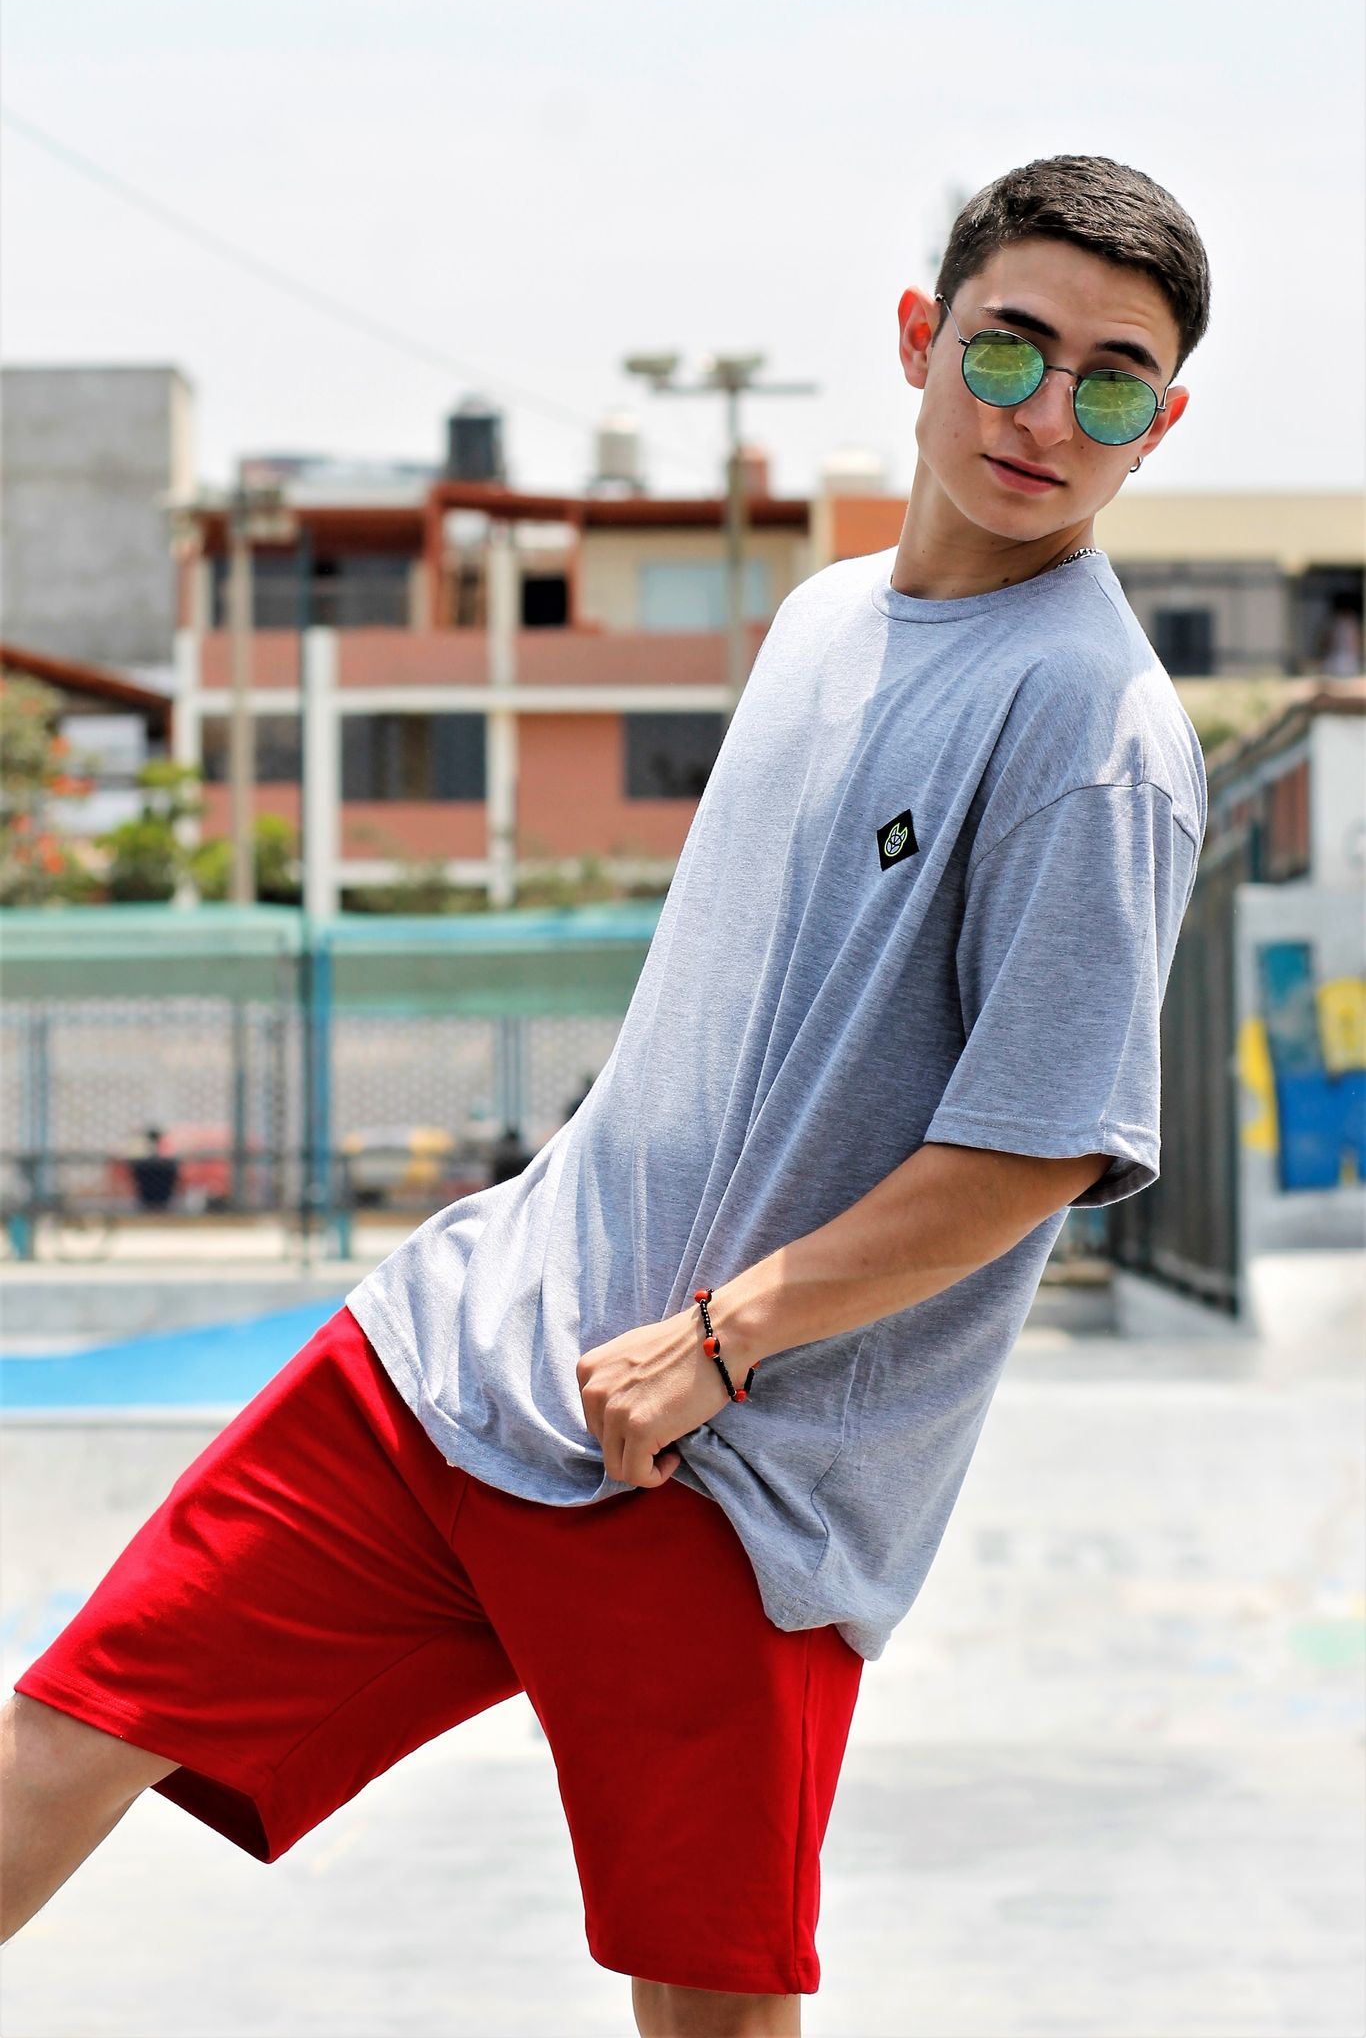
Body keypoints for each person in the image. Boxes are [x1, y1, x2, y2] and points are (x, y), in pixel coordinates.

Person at [1, 153, 1211, 2038]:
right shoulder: (822, 620)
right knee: (73, 1724)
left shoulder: (1094, 728)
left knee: (706, 2005)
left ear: (1160, 426)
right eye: (1008, 350)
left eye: (1110, 385)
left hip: (723, 1472)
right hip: (462, 1352)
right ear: (918, 340)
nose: (1046, 416)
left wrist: (721, 1342)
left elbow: (1037, 1142)